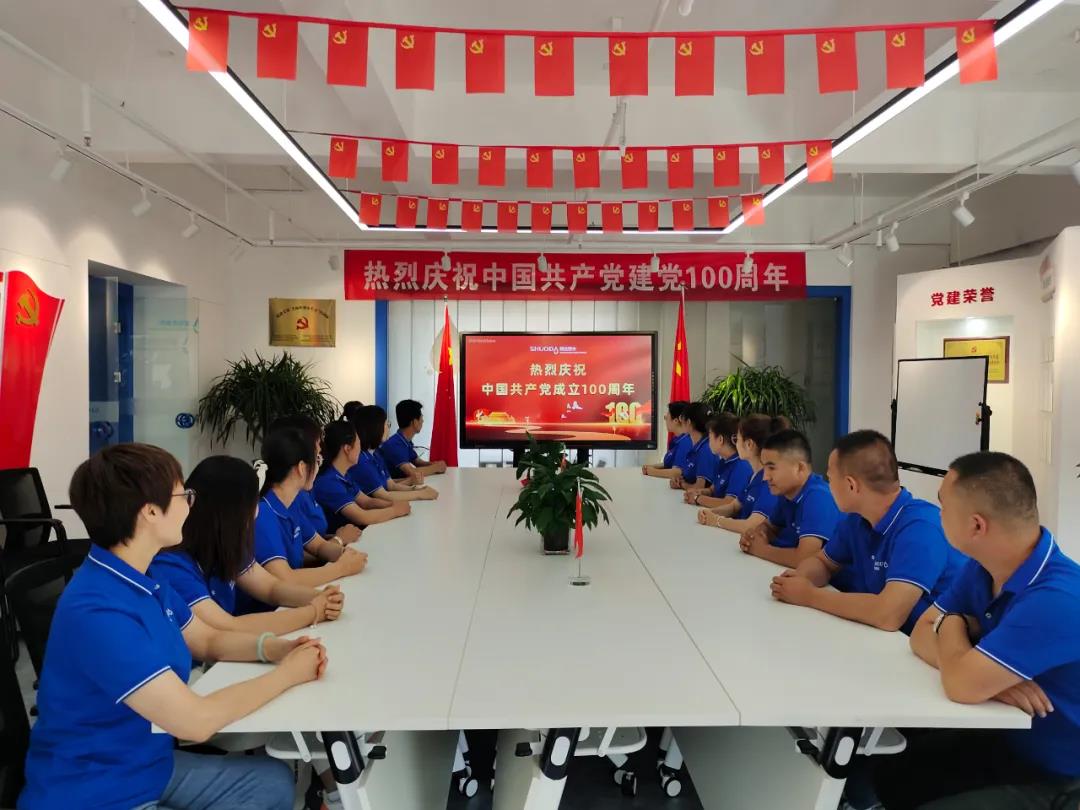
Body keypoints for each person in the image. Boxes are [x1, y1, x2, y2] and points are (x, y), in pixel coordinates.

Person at [18, 444, 326, 810]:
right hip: (94, 792)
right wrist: (288, 674)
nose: (191, 505)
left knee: (272, 782)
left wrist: (274, 648)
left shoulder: (145, 578)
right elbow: (195, 722)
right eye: (184, 495)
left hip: (146, 766)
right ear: (150, 512)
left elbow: (208, 639)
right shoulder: (98, 611)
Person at [869, 452, 1080, 809]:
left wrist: (953, 626)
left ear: (976, 526)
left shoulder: (1057, 598)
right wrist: (991, 680)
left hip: (1057, 774)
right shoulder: (983, 568)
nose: (938, 514)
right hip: (1006, 736)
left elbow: (961, 685)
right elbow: (920, 634)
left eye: (943, 505)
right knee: (889, 773)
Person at [770, 431, 966, 635]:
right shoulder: (857, 520)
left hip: (922, 647)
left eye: (830, 478)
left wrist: (810, 596)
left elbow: (888, 615)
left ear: (851, 485)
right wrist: (801, 578)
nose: (828, 486)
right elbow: (823, 562)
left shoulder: (921, 528)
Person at [149, 455, 345, 636]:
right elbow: (227, 627)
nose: (256, 513)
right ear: (228, 514)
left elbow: (270, 587)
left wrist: (321, 597)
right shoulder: (171, 564)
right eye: (252, 505)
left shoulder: (225, 542)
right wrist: (313, 611)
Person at [252, 428, 368, 601]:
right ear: (301, 468)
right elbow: (286, 578)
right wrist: (342, 568)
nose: (319, 466)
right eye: (317, 460)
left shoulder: (290, 504)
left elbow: (319, 546)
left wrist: (346, 554)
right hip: (274, 609)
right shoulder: (263, 513)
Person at [737, 429, 841, 568]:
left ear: (800, 468)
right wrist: (755, 536)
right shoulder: (787, 493)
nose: (765, 477)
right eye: (764, 468)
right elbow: (769, 527)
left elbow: (805, 558)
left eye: (771, 468)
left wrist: (760, 550)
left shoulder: (818, 497)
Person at [267, 415, 363, 549]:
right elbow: (306, 553)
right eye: (316, 456)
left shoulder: (302, 492)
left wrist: (337, 539)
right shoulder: (276, 507)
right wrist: (339, 540)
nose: (320, 460)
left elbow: (314, 545)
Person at [313, 420, 411, 531]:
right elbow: (362, 517)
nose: (360, 450)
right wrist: (395, 510)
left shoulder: (343, 475)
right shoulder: (328, 482)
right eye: (358, 443)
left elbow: (367, 502)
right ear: (347, 449)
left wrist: (392, 504)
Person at [696, 414, 785, 535]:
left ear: (749, 444)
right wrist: (711, 513)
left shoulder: (769, 481)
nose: (735, 444)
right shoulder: (754, 476)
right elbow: (733, 507)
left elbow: (750, 525)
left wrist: (717, 520)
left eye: (736, 439)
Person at [352, 405, 439, 503]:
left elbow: (391, 485)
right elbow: (384, 495)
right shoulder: (361, 460)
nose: (388, 428)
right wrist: (420, 494)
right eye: (386, 424)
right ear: (374, 428)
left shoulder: (375, 454)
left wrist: (415, 489)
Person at [686, 412, 752, 509]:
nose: (708, 441)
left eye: (710, 436)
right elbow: (712, 490)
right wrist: (700, 492)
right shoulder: (723, 461)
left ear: (720, 439)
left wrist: (697, 498)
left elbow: (729, 503)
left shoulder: (741, 466)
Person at [380, 399, 448, 483]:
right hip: (394, 488)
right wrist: (436, 468)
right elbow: (412, 472)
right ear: (415, 422)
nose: (422, 421)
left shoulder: (404, 440)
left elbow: (417, 462)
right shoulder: (394, 444)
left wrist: (433, 464)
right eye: (421, 418)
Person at [668, 401, 714, 491]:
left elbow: (699, 487)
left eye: (682, 419)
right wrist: (678, 480)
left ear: (688, 422)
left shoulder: (705, 449)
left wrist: (681, 484)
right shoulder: (696, 447)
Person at [642, 401, 690, 478]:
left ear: (676, 420)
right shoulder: (676, 440)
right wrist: (652, 467)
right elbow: (669, 464)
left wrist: (652, 471)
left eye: (666, 418)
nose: (665, 421)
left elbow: (676, 473)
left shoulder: (686, 442)